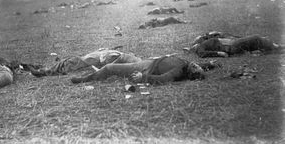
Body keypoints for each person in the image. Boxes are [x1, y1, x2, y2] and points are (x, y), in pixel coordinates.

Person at [71, 55, 221, 85]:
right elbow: (199, 65)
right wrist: (210, 64)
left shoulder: (179, 71)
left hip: (145, 67)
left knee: (110, 67)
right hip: (147, 60)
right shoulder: (188, 64)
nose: (196, 65)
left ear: (190, 73)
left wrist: (143, 78)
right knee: (124, 56)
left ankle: (85, 79)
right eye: (198, 66)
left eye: (195, 68)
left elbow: (163, 79)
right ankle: (104, 71)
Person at [23, 48, 142, 77]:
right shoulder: (119, 54)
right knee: (68, 61)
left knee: (69, 62)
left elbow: (109, 66)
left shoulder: (120, 57)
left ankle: (44, 72)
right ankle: (42, 69)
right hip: (90, 58)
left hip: (87, 60)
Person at [186, 32, 283, 58]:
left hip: (231, 43)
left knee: (255, 42)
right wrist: (219, 53)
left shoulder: (203, 41)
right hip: (231, 46)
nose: (194, 45)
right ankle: (276, 47)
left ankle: (274, 48)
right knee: (256, 38)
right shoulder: (200, 48)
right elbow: (202, 54)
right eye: (192, 47)